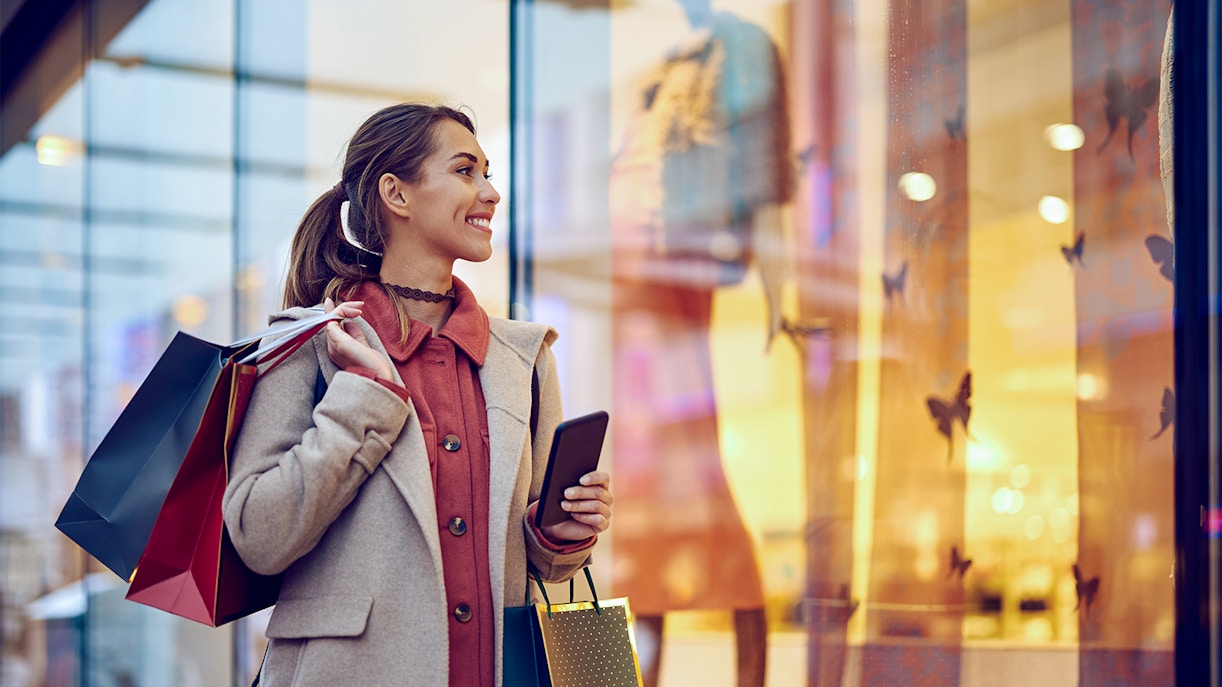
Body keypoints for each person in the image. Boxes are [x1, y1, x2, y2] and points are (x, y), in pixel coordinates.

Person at [222, 103, 613, 687]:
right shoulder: (309, 342)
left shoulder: (525, 360)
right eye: (464, 171)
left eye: (487, 172)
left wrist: (563, 529)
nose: (490, 192)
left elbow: (542, 562)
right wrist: (361, 398)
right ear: (396, 194)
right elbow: (259, 535)